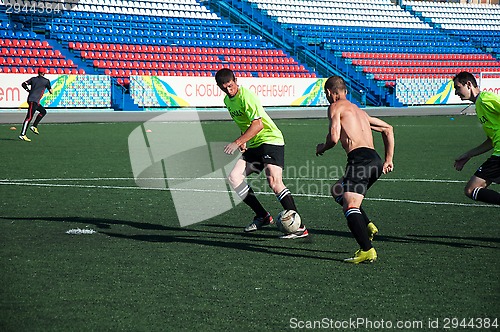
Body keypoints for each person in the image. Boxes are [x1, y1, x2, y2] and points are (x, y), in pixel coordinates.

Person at [215, 68, 308, 239]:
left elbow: (258, 125)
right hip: (256, 144)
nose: (229, 90)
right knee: (234, 178)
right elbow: (244, 122)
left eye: (230, 85)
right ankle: (262, 215)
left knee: (274, 181)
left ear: (236, 81)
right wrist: (243, 141)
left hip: (270, 139)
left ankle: (299, 227)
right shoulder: (228, 101)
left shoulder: (246, 96)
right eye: (224, 88)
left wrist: (237, 142)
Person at [316, 75, 394, 264]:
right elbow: (388, 129)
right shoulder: (360, 112)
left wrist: (322, 148)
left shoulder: (335, 107)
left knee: (350, 206)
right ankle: (366, 225)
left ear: (330, 93)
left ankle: (367, 250)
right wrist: (388, 159)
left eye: (327, 94)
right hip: (374, 161)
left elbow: (334, 138)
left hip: (359, 160)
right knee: (337, 190)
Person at [453, 71, 500, 205]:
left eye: (458, 87)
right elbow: (491, 141)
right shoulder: (479, 105)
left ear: (468, 84)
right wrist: (468, 154)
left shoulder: (485, 98)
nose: (456, 92)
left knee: (471, 189)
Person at [19, 67, 53, 142]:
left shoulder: (33, 79)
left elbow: (23, 84)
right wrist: (50, 91)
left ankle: (34, 126)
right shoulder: (46, 81)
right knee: (29, 117)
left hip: (32, 100)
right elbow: (51, 91)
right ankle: (22, 134)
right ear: (44, 73)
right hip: (33, 101)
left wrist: (28, 90)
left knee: (43, 111)